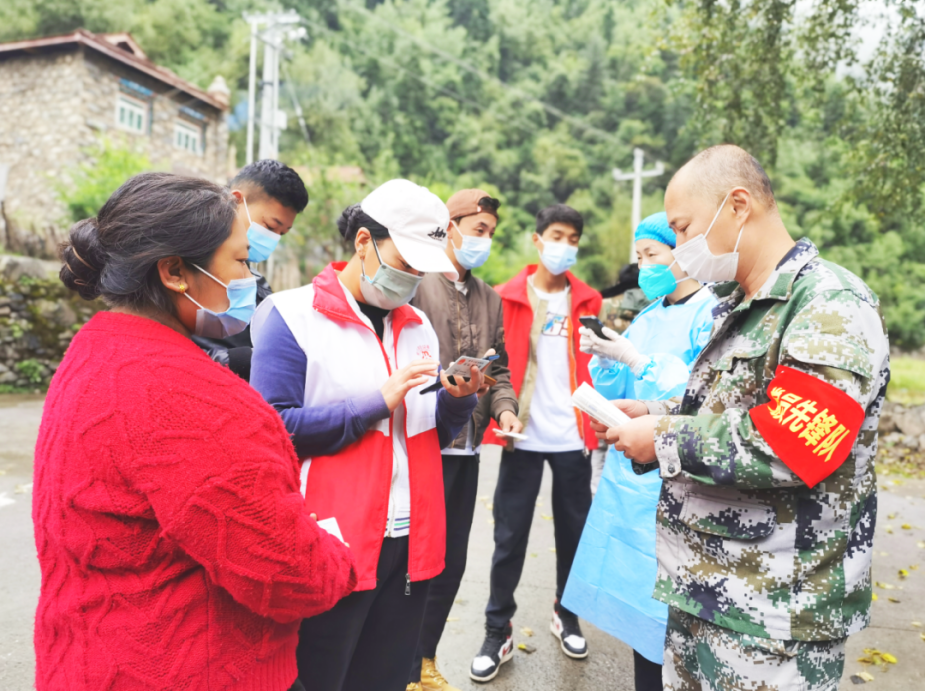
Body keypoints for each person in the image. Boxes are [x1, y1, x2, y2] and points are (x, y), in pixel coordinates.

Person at [34, 173, 357, 691]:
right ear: (175, 272)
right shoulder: (193, 397)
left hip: (86, 654)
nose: (251, 276)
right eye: (241, 261)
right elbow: (284, 572)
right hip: (187, 668)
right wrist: (339, 559)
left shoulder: (91, 353)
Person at [595, 145, 890, 691]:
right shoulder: (740, 304)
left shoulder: (829, 303)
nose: (680, 250)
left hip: (776, 619)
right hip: (707, 594)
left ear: (737, 206)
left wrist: (661, 437)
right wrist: (656, 411)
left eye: (683, 230)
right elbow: (729, 408)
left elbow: (798, 440)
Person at [249, 179, 482, 691]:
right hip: (330, 543)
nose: (415, 276)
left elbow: (431, 431)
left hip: (411, 542)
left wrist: (459, 399)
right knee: (320, 676)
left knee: (385, 678)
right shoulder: (292, 317)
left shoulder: (418, 323)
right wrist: (373, 404)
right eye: (407, 260)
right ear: (363, 241)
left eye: (424, 266)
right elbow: (271, 430)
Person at [561, 211, 717, 691]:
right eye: (640, 257)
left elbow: (697, 391)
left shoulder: (710, 313)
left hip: (676, 478)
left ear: (684, 251)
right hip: (630, 483)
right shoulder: (648, 316)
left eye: (653, 254)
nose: (644, 264)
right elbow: (620, 388)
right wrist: (604, 357)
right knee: (637, 612)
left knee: (674, 620)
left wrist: (637, 358)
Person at [470, 204, 602, 683]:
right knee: (509, 538)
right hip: (521, 437)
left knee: (573, 537)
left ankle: (566, 614)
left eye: (573, 239)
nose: (564, 246)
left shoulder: (588, 301)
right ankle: (496, 627)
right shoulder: (506, 297)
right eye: (557, 235)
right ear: (536, 238)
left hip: (573, 438)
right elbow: (496, 365)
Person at [407, 189, 522, 691]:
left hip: (469, 449)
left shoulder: (490, 297)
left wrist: (506, 410)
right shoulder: (415, 284)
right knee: (411, 559)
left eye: (491, 234)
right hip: (424, 441)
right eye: (479, 230)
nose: (485, 241)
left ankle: (426, 660)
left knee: (451, 562)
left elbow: (501, 372)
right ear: (449, 226)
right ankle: (399, 665)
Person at [192, 159, 309, 381]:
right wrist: (236, 361)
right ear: (236, 200)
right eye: (270, 227)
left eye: (281, 234)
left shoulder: (259, 285)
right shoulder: (185, 263)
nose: (273, 239)